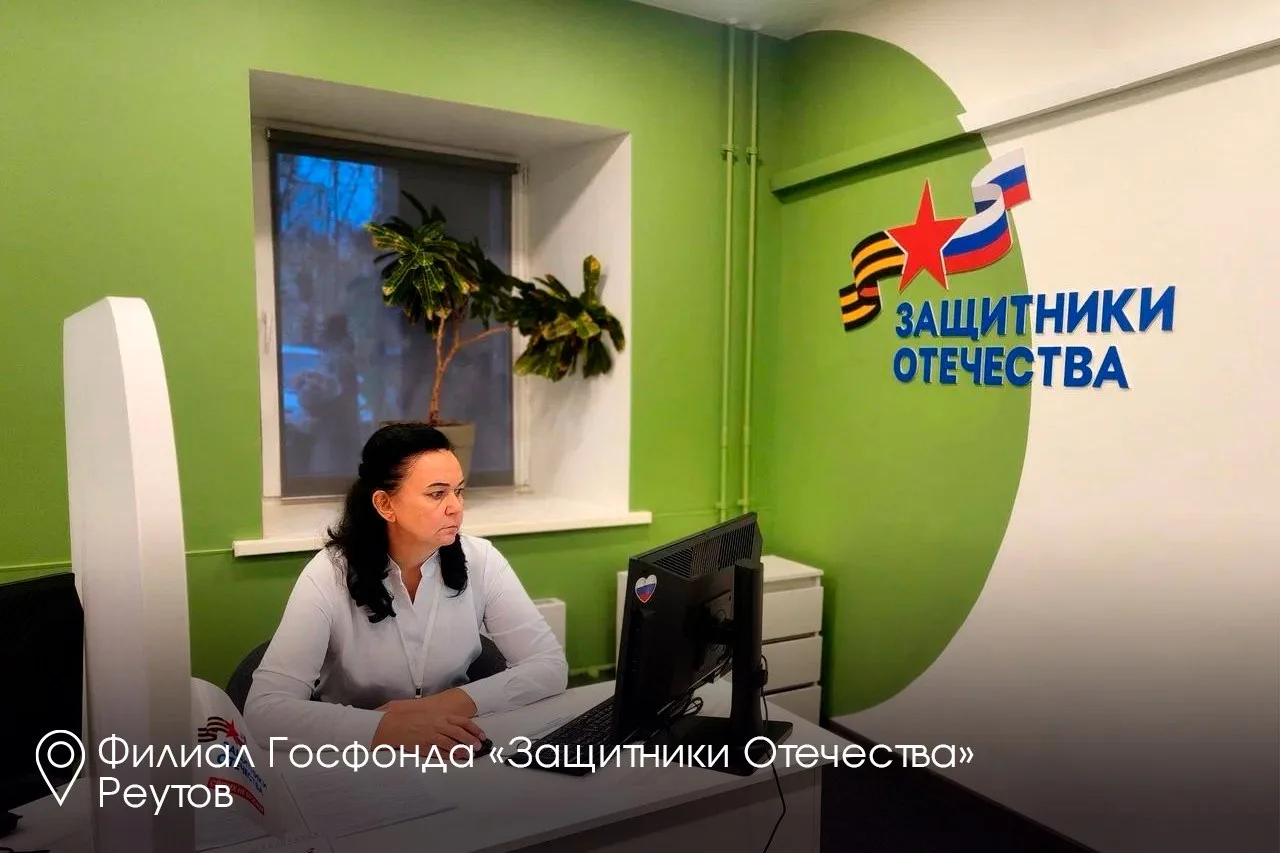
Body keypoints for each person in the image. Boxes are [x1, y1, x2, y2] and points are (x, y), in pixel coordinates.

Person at [244, 423, 569, 753]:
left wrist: (438, 706)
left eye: (458, 491)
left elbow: (549, 666)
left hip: (453, 747)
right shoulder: (329, 573)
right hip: (355, 756)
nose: (456, 507)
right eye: (437, 494)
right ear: (385, 505)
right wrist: (388, 728)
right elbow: (264, 712)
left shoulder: (481, 559)